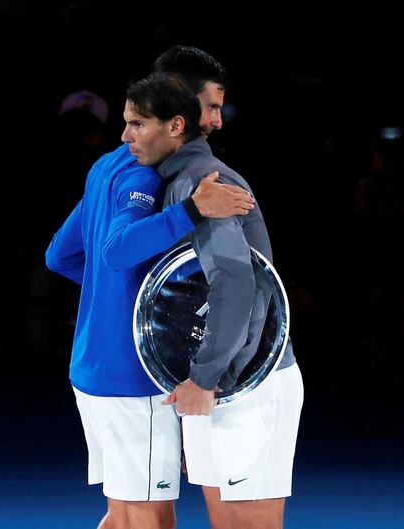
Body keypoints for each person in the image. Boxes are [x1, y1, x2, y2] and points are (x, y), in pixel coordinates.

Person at [45, 59, 255, 529]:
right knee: (149, 520)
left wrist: (122, 297)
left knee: (122, 518)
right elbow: (117, 250)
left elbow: (59, 257)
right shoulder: (144, 178)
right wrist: (192, 209)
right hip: (132, 378)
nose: (126, 135)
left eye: (135, 123)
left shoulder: (104, 168)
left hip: (91, 370)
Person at [120, 73, 303, 529]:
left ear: (176, 122)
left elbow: (239, 283)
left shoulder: (202, 181)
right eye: (210, 107)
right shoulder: (178, 179)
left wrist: (205, 378)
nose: (214, 121)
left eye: (137, 123)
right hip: (218, 380)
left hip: (242, 381)